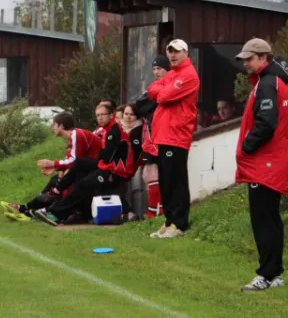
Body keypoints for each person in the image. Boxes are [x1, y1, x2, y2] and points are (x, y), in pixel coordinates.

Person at [234, 38, 288, 291]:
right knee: (272, 218)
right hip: (274, 160)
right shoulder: (276, 80)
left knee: (263, 219)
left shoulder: (267, 84)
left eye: (249, 58)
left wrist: (247, 145)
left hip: (265, 162)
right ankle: (275, 273)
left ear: (264, 58)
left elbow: (266, 123)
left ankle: (266, 275)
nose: (245, 63)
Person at [34, 104, 143, 226]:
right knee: (80, 163)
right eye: (97, 115)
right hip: (107, 167)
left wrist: (56, 164)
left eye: (103, 115)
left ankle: (55, 214)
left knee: (83, 184)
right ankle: (56, 191)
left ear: (111, 115)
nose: (100, 118)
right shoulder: (108, 129)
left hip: (115, 172)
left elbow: (106, 157)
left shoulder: (114, 131)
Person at [1, 112, 101, 221]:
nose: (52, 127)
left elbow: (73, 161)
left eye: (54, 124)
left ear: (61, 126)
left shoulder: (76, 134)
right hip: (87, 170)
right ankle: (26, 209)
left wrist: (53, 164)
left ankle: (36, 213)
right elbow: (71, 161)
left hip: (95, 171)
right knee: (56, 180)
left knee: (60, 184)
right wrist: (57, 168)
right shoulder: (73, 137)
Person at [147, 39, 199, 239]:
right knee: (166, 180)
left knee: (176, 180)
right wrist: (161, 91)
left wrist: (161, 91)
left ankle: (179, 223)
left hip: (176, 134)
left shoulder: (188, 75)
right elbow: (153, 89)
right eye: (170, 52)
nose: (172, 55)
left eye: (176, 51)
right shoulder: (173, 74)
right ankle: (169, 221)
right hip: (165, 134)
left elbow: (162, 97)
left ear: (185, 53)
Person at [135, 55, 170, 219]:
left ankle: (154, 210)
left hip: (159, 135)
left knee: (152, 173)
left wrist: (151, 105)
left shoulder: (169, 85)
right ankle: (159, 209)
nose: (156, 72)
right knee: (149, 174)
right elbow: (139, 105)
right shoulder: (153, 86)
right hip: (149, 136)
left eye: (160, 69)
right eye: (154, 69)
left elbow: (149, 104)